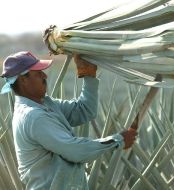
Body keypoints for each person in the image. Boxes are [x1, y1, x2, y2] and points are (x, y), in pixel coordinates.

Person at [0, 51, 137, 190]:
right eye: (38, 73)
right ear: (23, 80)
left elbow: (84, 110)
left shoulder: (46, 104)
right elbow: (74, 150)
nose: (45, 76)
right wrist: (117, 141)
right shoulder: (33, 117)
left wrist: (88, 74)